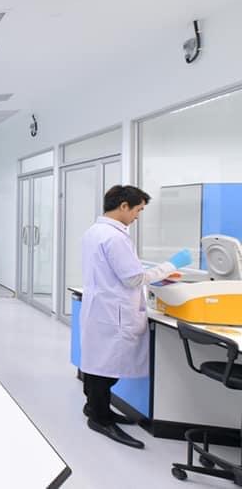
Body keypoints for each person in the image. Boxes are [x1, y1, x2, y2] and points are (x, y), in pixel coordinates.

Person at [79, 185, 191, 449]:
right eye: (138, 210)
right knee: (105, 369)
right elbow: (133, 279)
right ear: (123, 206)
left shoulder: (94, 231)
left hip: (100, 307)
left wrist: (153, 272)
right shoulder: (115, 237)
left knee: (97, 364)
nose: (138, 216)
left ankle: (94, 408)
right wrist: (171, 266)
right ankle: (100, 419)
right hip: (113, 311)